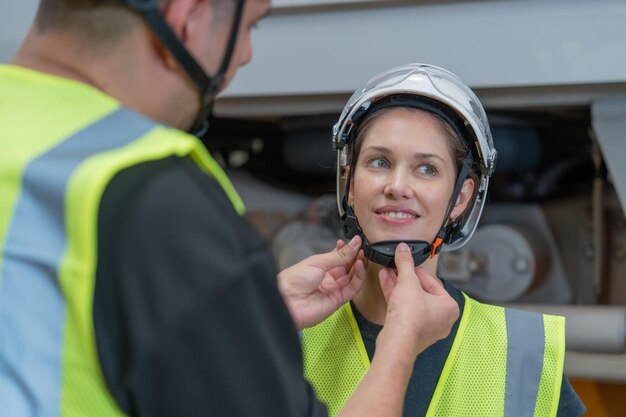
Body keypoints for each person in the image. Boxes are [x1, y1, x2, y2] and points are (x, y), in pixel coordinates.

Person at [0, 2, 460, 417]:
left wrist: (241, 313)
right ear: (188, 15)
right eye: (250, 27)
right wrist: (402, 342)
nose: (245, 55)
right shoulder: (153, 199)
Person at [302, 64, 586, 417]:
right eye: (379, 162)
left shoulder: (523, 352)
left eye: (426, 169)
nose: (398, 186)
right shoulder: (285, 334)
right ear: (350, 183)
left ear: (461, 198)